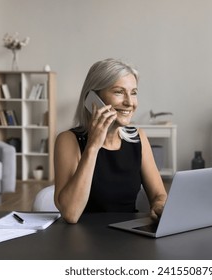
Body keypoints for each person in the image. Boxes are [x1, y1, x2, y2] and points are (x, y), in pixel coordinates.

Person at [54, 58, 167, 224]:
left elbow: (159, 194)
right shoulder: (68, 141)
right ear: (92, 99)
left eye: (133, 92)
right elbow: (70, 213)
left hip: (129, 237)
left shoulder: (139, 137)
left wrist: (159, 205)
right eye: (119, 92)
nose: (129, 102)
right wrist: (93, 146)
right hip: (82, 241)